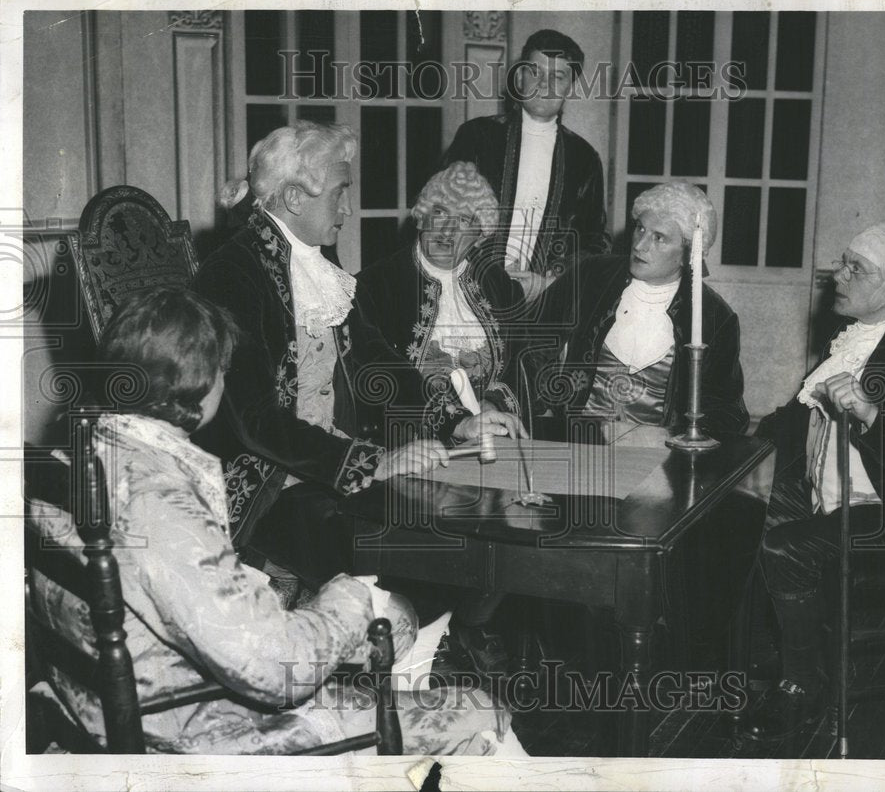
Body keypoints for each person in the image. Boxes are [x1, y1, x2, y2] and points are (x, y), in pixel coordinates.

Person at [25, 288, 525, 755]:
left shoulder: (77, 455)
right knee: (481, 711)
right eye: (222, 371)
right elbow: (269, 665)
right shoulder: (157, 501)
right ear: (199, 387)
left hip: (110, 711)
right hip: (200, 736)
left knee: (390, 642)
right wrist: (354, 601)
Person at [191, 122, 522, 591]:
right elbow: (255, 420)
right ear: (294, 199)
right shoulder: (232, 274)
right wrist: (369, 464)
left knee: (460, 521)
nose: (348, 209)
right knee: (421, 549)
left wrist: (454, 421)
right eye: (340, 193)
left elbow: (376, 362)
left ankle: (423, 651)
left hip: (328, 469)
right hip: (264, 485)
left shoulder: (317, 263)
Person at [742, 221, 885, 742]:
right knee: (736, 507)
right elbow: (795, 419)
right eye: (842, 262)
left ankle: (804, 683)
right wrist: (734, 434)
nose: (837, 275)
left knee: (785, 548)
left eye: (855, 269)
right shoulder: (850, 339)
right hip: (830, 495)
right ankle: (762, 651)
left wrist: (871, 413)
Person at [534, 180, 749, 437]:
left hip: (659, 460)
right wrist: (538, 410)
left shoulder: (714, 316)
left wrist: (681, 436)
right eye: (640, 229)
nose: (639, 245)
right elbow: (532, 345)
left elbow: (727, 410)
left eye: (659, 238)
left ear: (688, 253)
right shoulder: (591, 276)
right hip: (578, 444)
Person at [441, 28, 611, 304]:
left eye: (559, 76)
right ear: (519, 77)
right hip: (466, 293)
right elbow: (441, 212)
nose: (545, 84)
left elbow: (594, 241)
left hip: (541, 301)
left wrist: (550, 281)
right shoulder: (478, 136)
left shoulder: (584, 158)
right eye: (536, 72)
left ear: (572, 86)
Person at [355, 161, 527, 428]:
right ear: (422, 217)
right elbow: (378, 379)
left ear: (480, 236)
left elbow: (523, 360)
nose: (447, 230)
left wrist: (493, 403)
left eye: (463, 221)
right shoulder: (374, 286)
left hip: (491, 430)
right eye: (440, 213)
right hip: (410, 439)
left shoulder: (499, 285)